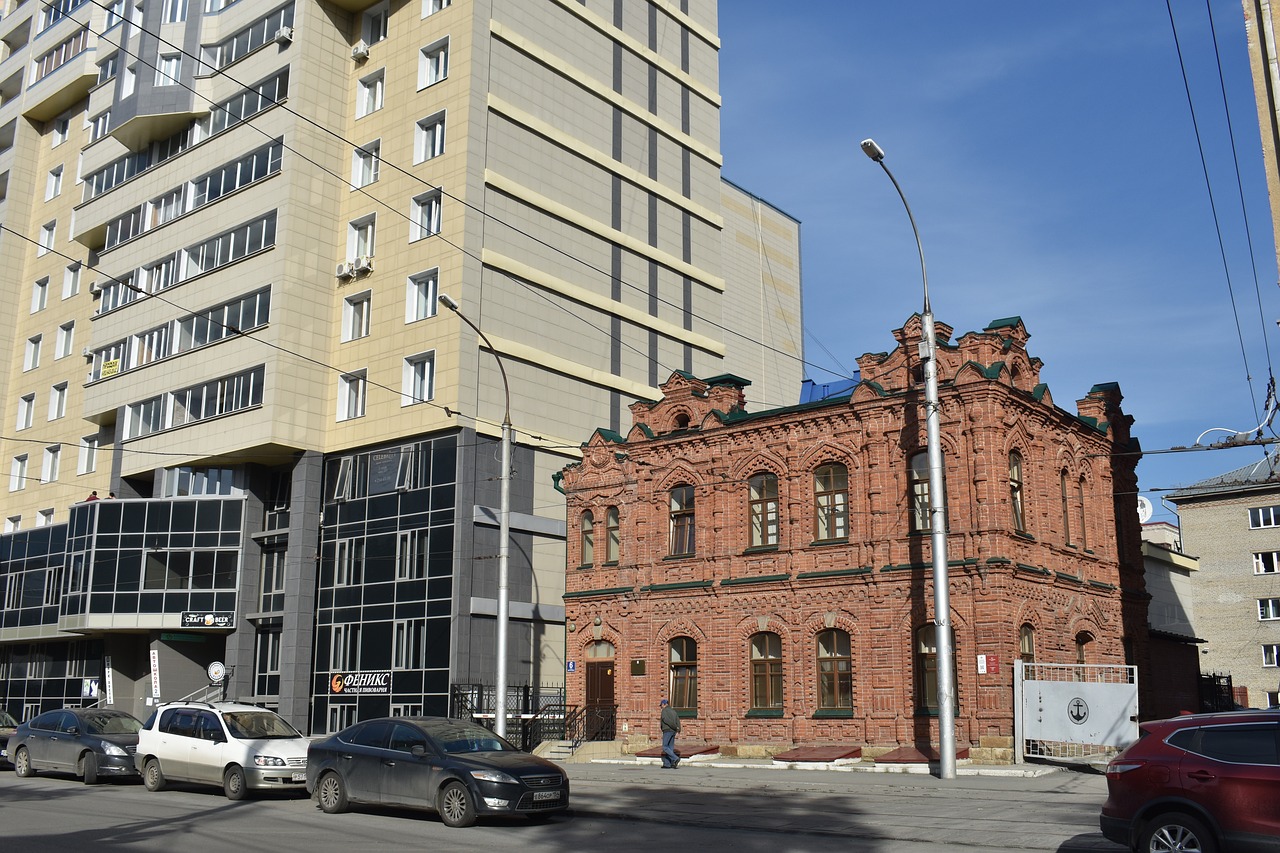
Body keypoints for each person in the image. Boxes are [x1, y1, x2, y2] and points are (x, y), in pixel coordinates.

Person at [659, 698, 681, 769]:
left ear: (664, 704)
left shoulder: (664, 711)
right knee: (670, 748)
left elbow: (665, 720)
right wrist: (678, 729)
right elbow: (678, 720)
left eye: (661, 705)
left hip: (667, 730)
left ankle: (675, 758)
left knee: (665, 747)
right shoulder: (673, 711)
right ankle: (667, 764)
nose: (661, 707)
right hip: (673, 731)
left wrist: (673, 726)